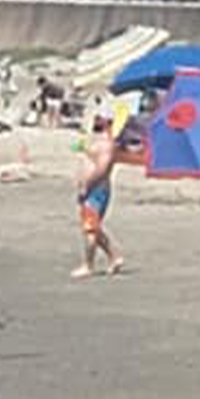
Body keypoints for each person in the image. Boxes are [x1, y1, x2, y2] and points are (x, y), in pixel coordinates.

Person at [74, 114, 125, 279]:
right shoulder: (95, 140)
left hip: (96, 189)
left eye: (99, 118)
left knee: (90, 227)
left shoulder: (107, 144)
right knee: (93, 226)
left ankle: (88, 265)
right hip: (91, 188)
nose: (95, 120)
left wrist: (86, 186)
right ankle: (114, 256)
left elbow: (101, 169)